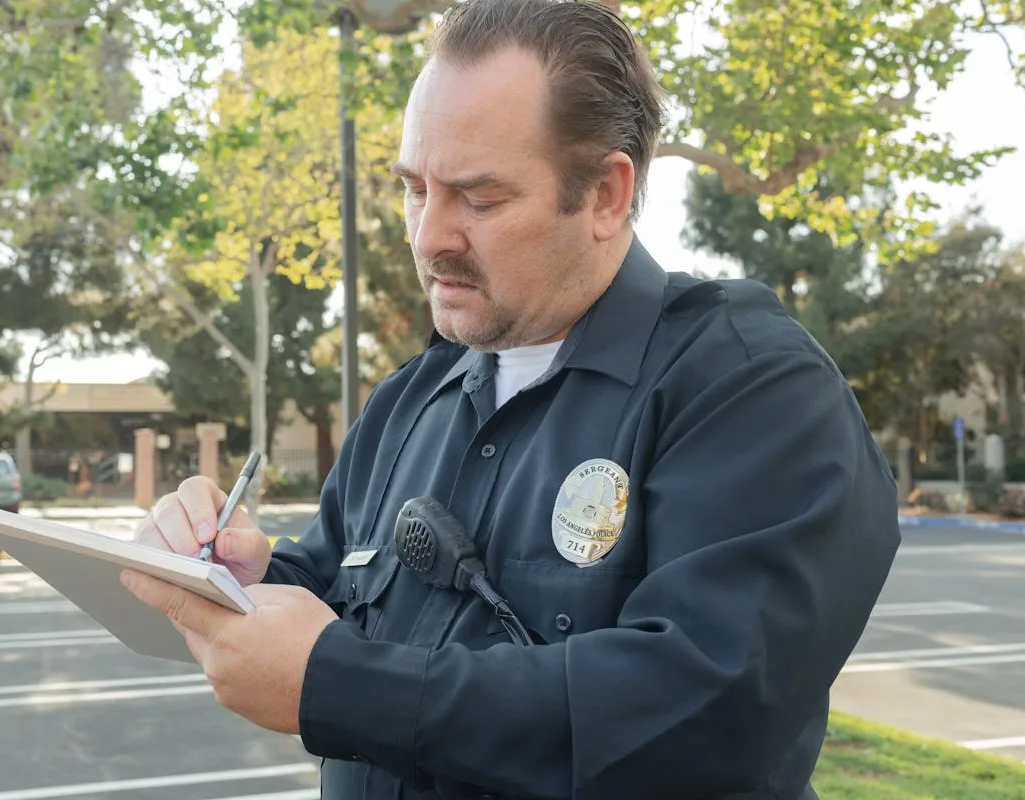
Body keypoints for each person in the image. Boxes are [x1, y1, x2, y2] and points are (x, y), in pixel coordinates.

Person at [125, 1, 901, 797]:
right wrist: (238, 576)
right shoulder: (409, 400)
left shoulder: (747, 387)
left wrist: (339, 686)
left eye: (479, 199)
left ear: (605, 193)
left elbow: (705, 711)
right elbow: (337, 596)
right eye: (412, 189)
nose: (430, 236)